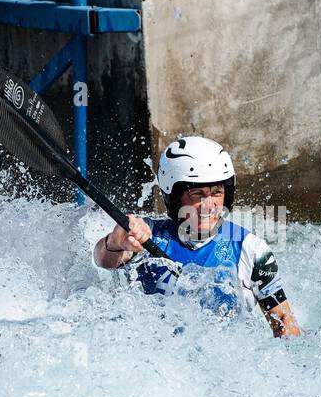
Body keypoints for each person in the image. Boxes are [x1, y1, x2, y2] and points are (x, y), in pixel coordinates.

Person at [93, 136, 303, 338]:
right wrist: (116, 240)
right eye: (197, 195)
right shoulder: (147, 235)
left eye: (217, 193)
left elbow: (284, 320)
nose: (209, 205)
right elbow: (103, 259)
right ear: (174, 199)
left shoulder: (251, 249)